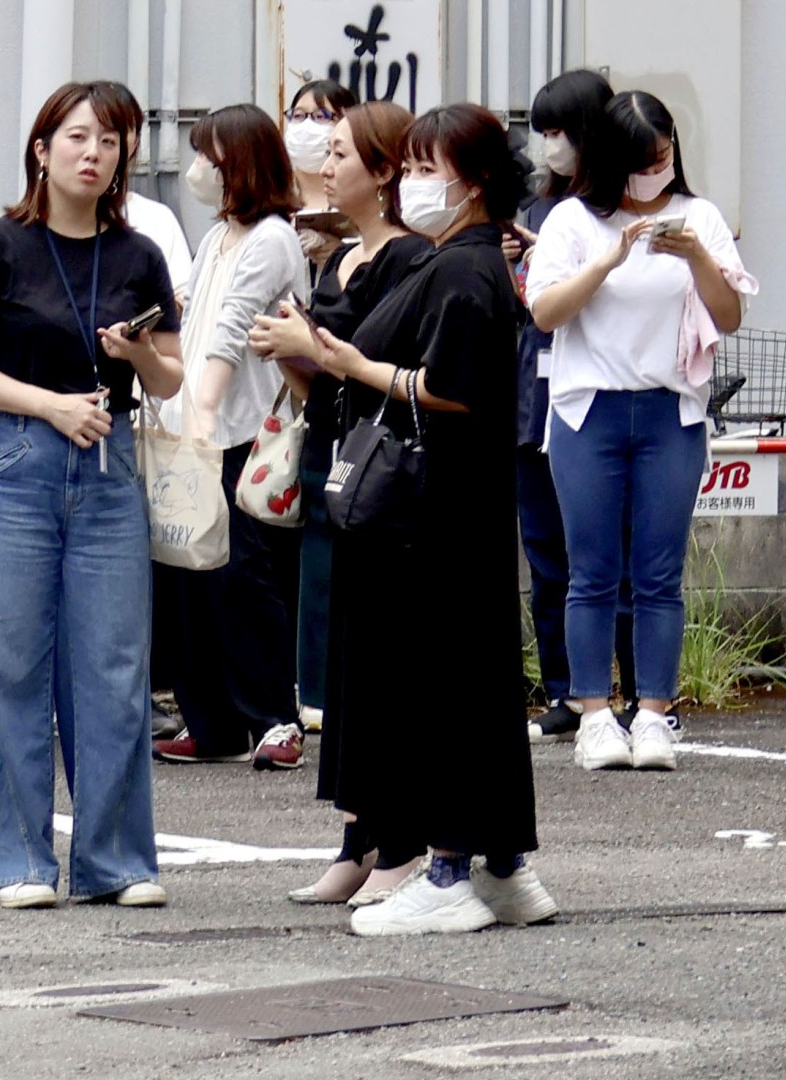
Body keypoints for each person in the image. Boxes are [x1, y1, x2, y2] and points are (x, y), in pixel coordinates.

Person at [251, 103, 551, 937]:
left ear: (474, 181)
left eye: (426, 168)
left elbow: (458, 392)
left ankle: (451, 867)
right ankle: (502, 868)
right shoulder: (471, 259)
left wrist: (353, 363)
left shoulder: (461, 269)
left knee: (448, 687)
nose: (413, 182)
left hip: (439, 515)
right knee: (478, 685)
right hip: (461, 510)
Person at [0, 79, 182, 909]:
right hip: (14, 458)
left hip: (109, 467)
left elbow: (171, 373)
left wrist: (136, 353)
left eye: (110, 142)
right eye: (78, 137)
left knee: (114, 667)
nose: (94, 153)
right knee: (7, 661)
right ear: (41, 149)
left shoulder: (139, 253)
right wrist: (48, 404)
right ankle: (13, 860)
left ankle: (116, 861)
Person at [528, 91, 754, 773]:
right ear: (613, 162)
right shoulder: (572, 220)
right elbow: (544, 312)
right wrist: (607, 262)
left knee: (659, 572)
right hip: (587, 409)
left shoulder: (700, 216)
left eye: (665, 155)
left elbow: (730, 317)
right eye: (643, 160)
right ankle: (594, 712)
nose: (657, 169)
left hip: (671, 409)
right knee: (590, 570)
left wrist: (695, 258)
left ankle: (654, 713)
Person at [273, 99, 431, 907]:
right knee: (339, 661)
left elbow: (382, 365)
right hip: (331, 460)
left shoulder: (410, 261)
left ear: (384, 168)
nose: (325, 165)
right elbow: (320, 380)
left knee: (381, 663)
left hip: (388, 475)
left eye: (340, 152)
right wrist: (291, 353)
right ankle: (354, 836)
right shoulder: (334, 258)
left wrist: (313, 349)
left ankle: (394, 839)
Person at [151, 104, 309, 769]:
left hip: (235, 431)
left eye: (210, 156)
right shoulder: (220, 236)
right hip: (192, 427)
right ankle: (212, 721)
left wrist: (203, 411)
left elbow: (230, 332)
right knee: (189, 579)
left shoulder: (272, 238)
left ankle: (275, 717)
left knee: (243, 579)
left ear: (239, 164)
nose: (199, 170)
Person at [508, 70, 635, 746]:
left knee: (613, 558)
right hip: (537, 401)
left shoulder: (619, 212)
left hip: (601, 402)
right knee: (549, 556)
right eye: (543, 133)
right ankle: (565, 689)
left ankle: (637, 690)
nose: (550, 146)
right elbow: (527, 308)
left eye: (560, 131)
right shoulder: (535, 209)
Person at [280, 79, 354, 217]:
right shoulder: (272, 195)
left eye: (320, 116)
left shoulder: (361, 197)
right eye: (298, 115)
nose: (307, 125)